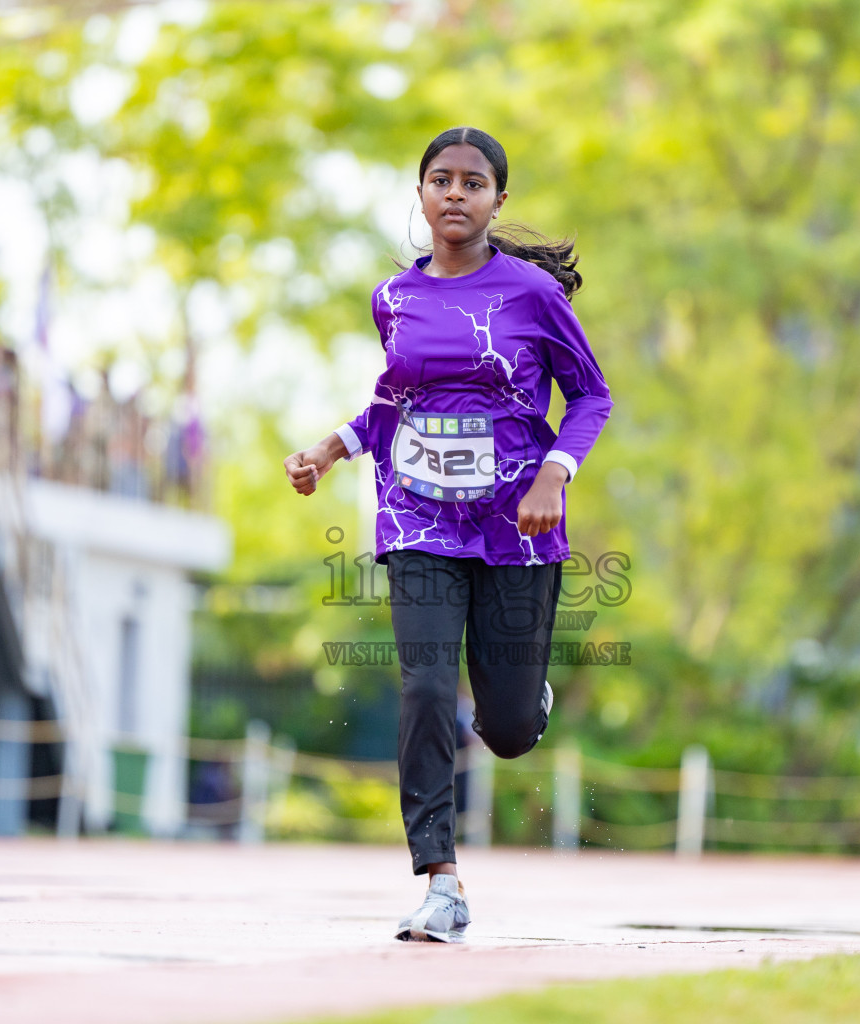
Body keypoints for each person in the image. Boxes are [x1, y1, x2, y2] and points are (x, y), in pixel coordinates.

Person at [284, 127, 613, 942]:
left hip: (516, 526)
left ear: (499, 200)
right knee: (426, 687)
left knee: (503, 731)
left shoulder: (534, 295)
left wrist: (553, 474)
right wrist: (332, 448)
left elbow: (592, 398)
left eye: (473, 182)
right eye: (441, 180)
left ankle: (520, 701)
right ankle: (441, 880)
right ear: (422, 196)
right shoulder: (393, 298)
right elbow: (394, 402)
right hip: (419, 515)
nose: (456, 194)